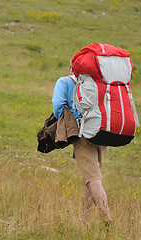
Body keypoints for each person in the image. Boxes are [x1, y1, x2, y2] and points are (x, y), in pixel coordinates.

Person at [52, 73, 112, 224]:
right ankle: (85, 219)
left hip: (82, 134)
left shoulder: (64, 81)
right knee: (88, 177)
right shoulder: (100, 81)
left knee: (93, 179)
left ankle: (107, 220)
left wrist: (67, 124)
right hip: (103, 132)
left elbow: (58, 104)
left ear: (72, 66)